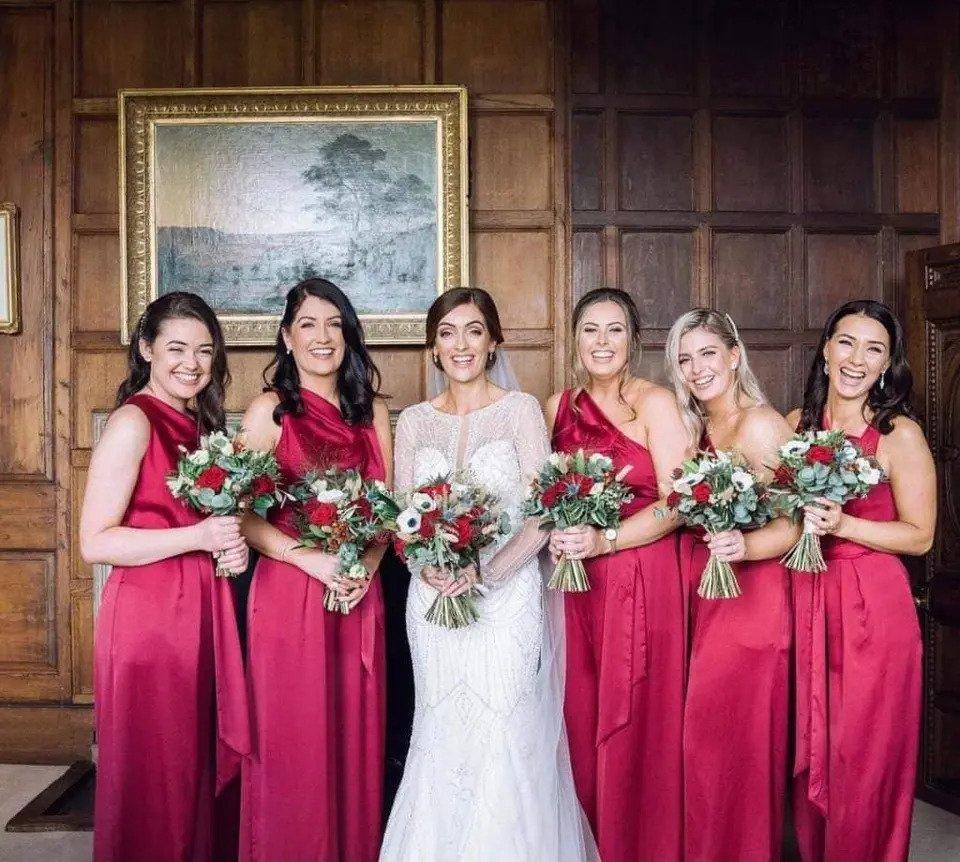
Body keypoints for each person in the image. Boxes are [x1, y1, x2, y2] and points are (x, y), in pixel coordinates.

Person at [380, 287, 595, 861]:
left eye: (474, 330)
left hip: (507, 598)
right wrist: (430, 568)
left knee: (508, 726)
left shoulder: (520, 410)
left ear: (493, 340)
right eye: (448, 332)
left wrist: (487, 570)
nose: (461, 344)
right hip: (432, 604)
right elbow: (404, 519)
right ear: (432, 347)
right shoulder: (415, 423)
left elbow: (543, 512)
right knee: (441, 727)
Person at [81, 291, 249, 861]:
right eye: (176, 348)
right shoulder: (134, 421)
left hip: (199, 616)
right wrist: (198, 538)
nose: (192, 363)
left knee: (192, 770)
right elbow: (93, 541)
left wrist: (228, 550)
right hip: (151, 624)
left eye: (204, 351)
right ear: (146, 349)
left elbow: (207, 524)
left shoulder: (200, 426)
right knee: (159, 775)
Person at [238, 278, 392, 862]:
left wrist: (366, 569)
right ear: (286, 337)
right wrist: (313, 560)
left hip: (356, 592)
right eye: (307, 323)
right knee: (293, 742)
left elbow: (389, 510)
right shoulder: (268, 412)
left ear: (349, 336)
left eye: (334, 323)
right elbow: (245, 518)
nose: (322, 336)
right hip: (290, 590)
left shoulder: (373, 412)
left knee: (353, 741)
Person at [788, 299, 934, 862]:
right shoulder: (794, 426)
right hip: (807, 598)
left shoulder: (899, 435)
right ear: (826, 350)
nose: (856, 359)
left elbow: (921, 536)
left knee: (864, 754)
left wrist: (844, 523)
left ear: (886, 365)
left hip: (874, 608)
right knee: (811, 744)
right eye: (846, 342)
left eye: (874, 349)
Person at [546, 286, 687, 861]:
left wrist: (606, 538)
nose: (601, 342)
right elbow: (542, 497)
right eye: (590, 330)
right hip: (577, 586)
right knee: (579, 712)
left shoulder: (654, 403)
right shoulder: (555, 404)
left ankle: (640, 845)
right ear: (575, 339)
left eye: (614, 330)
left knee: (640, 716)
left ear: (633, 342)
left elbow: (680, 502)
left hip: (642, 576)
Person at [665, 308, 797, 862]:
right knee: (707, 749)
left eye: (708, 354)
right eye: (685, 358)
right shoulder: (695, 426)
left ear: (735, 355)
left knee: (736, 749)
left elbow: (795, 523)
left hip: (752, 604)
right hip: (706, 595)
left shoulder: (761, 424)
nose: (697, 369)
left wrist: (744, 546)